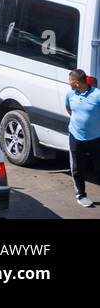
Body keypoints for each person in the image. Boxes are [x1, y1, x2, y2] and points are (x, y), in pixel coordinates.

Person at [65, 68, 100, 207]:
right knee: (77, 168)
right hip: (75, 136)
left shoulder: (97, 95)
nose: (69, 83)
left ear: (77, 82)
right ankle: (81, 195)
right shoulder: (70, 94)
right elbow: (69, 109)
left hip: (96, 138)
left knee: (99, 167)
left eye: (70, 81)